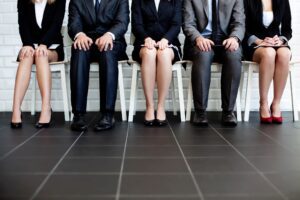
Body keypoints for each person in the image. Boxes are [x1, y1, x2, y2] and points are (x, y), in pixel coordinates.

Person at [68, 0, 129, 132]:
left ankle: (108, 114)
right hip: (87, 40)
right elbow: (74, 23)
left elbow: (122, 22)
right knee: (79, 50)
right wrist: (80, 35)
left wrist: (109, 35)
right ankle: (78, 115)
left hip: (112, 41)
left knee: (107, 50)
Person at [183, 0, 245, 126]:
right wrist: (198, 38)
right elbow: (188, 24)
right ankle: (200, 112)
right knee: (203, 54)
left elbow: (239, 23)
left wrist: (234, 38)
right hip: (202, 40)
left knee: (234, 55)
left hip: (226, 40)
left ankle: (228, 112)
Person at [11, 0, 66, 129]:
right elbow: (22, 25)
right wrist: (28, 45)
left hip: (52, 47)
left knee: (41, 55)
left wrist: (44, 44)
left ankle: (46, 109)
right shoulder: (23, 1)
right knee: (26, 55)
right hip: (31, 45)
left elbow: (56, 25)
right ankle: (16, 110)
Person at [131, 0, 182, 126]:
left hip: (169, 43)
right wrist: (146, 38)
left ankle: (160, 106)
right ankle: (149, 106)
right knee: (150, 53)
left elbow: (176, 25)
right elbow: (136, 25)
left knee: (163, 54)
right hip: (145, 42)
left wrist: (166, 39)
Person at [243, 0, 292, 124]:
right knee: (269, 53)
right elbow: (241, 26)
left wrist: (281, 40)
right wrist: (259, 41)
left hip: (275, 42)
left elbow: (287, 30)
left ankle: (276, 103)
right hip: (254, 44)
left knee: (285, 54)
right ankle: (263, 103)